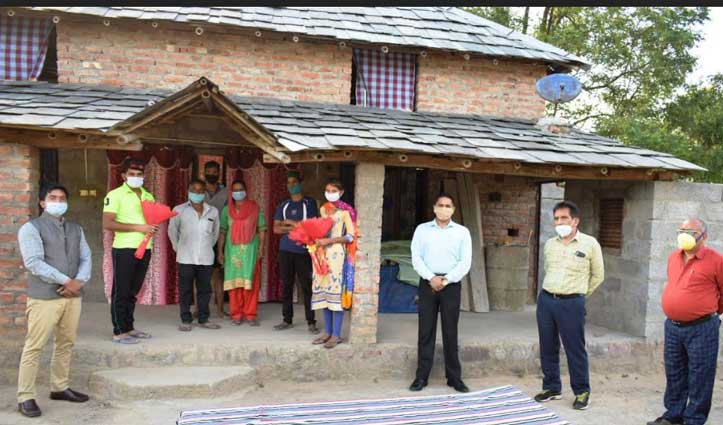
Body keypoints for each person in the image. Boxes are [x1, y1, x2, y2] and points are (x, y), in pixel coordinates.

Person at [16, 184, 91, 418]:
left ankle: (60, 387)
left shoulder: (76, 229)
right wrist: (67, 281)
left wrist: (78, 282)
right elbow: (34, 262)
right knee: (35, 346)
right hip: (44, 297)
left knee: (65, 343)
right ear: (42, 202)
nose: (58, 201)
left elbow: (86, 257)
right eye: (52, 197)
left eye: (62, 198)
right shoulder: (31, 228)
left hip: (72, 296)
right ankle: (25, 396)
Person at [647, 219, 723, 425]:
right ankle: (673, 415)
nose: (684, 235)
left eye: (691, 231)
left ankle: (694, 419)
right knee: (675, 371)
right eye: (681, 230)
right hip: (673, 326)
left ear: (704, 236)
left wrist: (715, 314)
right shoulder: (673, 257)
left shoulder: (716, 261)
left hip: (702, 327)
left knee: (700, 374)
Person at [535, 200, 604, 411]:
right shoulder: (550, 244)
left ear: (575, 221)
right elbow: (548, 269)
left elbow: (598, 275)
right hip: (547, 300)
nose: (559, 222)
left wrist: (579, 295)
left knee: (575, 348)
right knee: (547, 346)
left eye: (564, 218)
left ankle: (582, 391)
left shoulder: (590, 244)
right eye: (556, 218)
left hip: (572, 303)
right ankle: (552, 387)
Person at [409, 193, 472, 393]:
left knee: (450, 332)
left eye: (448, 206)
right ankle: (421, 377)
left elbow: (465, 262)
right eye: (441, 205)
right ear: (434, 208)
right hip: (427, 283)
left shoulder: (462, 232)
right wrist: (431, 277)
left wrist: (446, 280)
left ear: (453, 210)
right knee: (425, 332)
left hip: (450, 285)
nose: (444, 209)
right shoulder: (422, 230)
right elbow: (416, 257)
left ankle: (454, 378)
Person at [102, 158, 157, 344]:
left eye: (139, 174)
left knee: (133, 291)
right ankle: (119, 331)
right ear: (123, 176)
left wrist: (151, 227)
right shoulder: (115, 195)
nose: (136, 177)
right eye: (131, 174)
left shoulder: (148, 196)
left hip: (145, 247)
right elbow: (108, 223)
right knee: (121, 291)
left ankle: (129, 327)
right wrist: (139, 228)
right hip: (124, 248)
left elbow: (151, 220)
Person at [168, 179, 222, 331]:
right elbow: (172, 231)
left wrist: (206, 246)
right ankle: (185, 319)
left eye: (200, 191)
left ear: (205, 192)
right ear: (188, 191)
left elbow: (215, 234)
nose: (197, 193)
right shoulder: (179, 210)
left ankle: (204, 319)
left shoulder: (213, 211)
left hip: (206, 257)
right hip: (185, 257)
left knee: (205, 290)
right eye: (194, 190)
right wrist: (178, 248)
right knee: (185, 290)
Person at [310, 179, 358, 349]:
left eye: (333, 190)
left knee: (335, 294)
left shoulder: (346, 211)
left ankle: (336, 335)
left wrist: (330, 240)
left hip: (337, 254)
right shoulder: (323, 209)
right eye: (327, 190)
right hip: (322, 253)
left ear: (341, 192)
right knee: (324, 293)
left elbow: (350, 236)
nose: (330, 193)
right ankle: (327, 332)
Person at [272, 169, 320, 334]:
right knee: (287, 286)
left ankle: (311, 321)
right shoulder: (283, 204)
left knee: (307, 287)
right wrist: (296, 227)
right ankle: (287, 319)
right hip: (285, 250)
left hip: (303, 251)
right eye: (289, 183)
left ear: (301, 183)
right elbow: (275, 229)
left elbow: (311, 228)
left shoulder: (309, 203)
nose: (291, 185)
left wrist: (289, 223)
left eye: (294, 182)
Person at [217, 180, 267, 326]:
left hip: (250, 251)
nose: (238, 192)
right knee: (234, 284)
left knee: (250, 283)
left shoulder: (254, 208)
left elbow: (262, 229)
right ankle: (236, 315)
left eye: (240, 189)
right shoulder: (226, 210)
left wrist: (261, 248)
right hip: (232, 251)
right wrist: (220, 251)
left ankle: (250, 315)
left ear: (246, 190)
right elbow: (222, 231)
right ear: (231, 192)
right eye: (235, 190)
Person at [203, 160, 229, 318]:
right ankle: (198, 310)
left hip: (219, 237)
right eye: (209, 172)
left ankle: (220, 310)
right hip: (201, 237)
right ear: (204, 173)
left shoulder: (226, 192)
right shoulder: (198, 190)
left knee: (218, 275)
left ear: (219, 173)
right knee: (199, 275)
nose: (211, 175)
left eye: (214, 172)